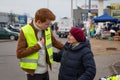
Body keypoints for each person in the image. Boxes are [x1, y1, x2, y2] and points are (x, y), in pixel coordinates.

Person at [16, 8, 64, 80]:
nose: (48, 26)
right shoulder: (25, 31)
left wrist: (69, 48)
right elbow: (19, 53)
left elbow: (55, 43)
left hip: (45, 70)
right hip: (33, 73)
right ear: (38, 22)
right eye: (47, 24)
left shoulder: (46, 30)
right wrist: (38, 46)